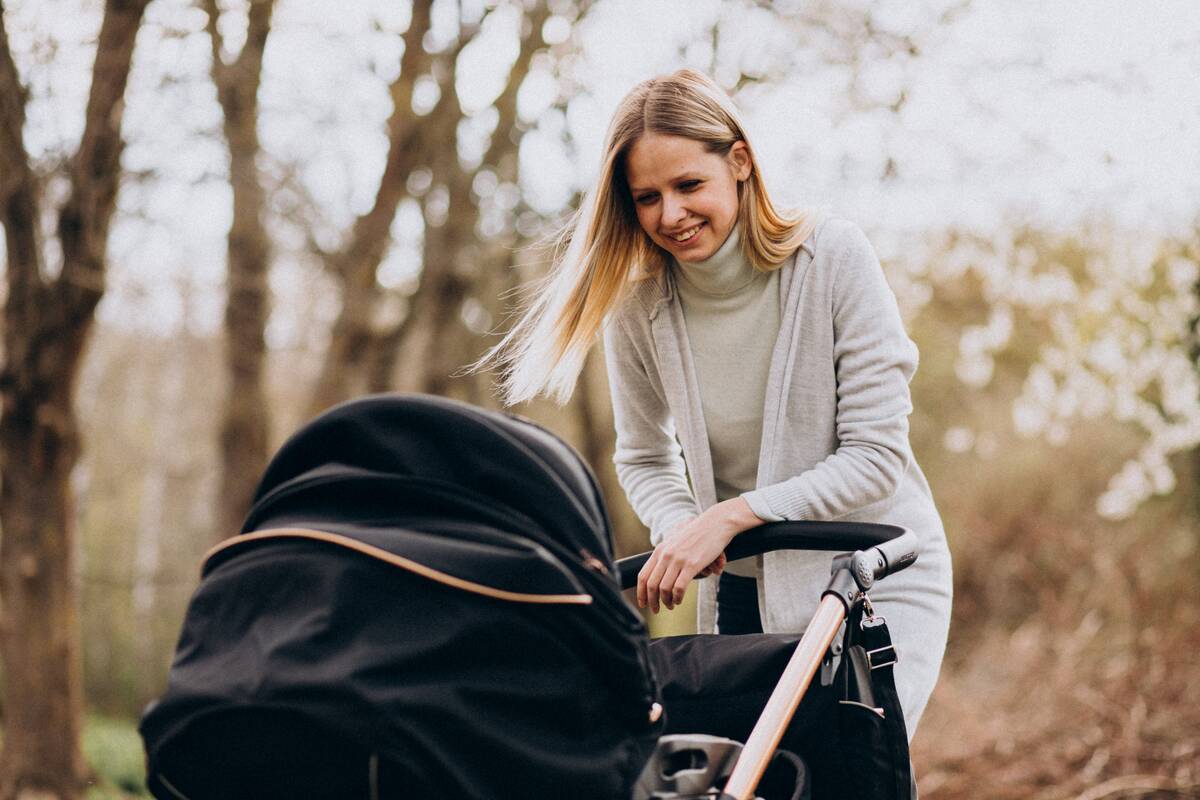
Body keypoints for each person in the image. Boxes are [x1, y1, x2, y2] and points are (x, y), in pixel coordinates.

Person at [481, 68, 952, 742]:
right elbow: (644, 458)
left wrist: (727, 517)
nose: (670, 215)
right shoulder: (641, 306)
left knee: (855, 767)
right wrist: (682, 530)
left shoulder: (832, 258)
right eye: (647, 198)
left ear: (739, 161)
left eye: (688, 185)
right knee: (750, 775)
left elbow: (875, 459)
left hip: (870, 577)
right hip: (739, 590)